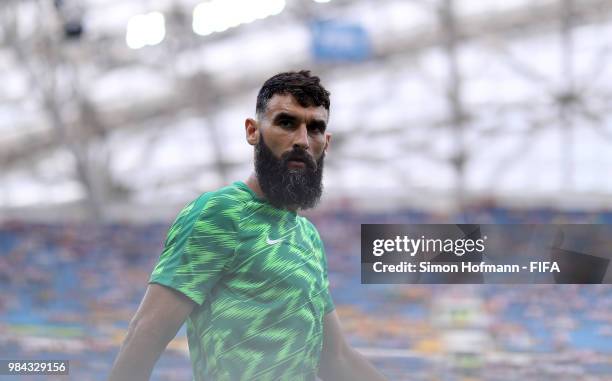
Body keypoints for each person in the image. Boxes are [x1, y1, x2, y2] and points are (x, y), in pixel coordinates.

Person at [108, 70, 388, 381]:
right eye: (286, 123)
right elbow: (146, 334)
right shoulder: (219, 213)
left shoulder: (307, 236)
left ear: (327, 142)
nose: (301, 140)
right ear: (253, 131)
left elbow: (337, 359)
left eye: (315, 129)